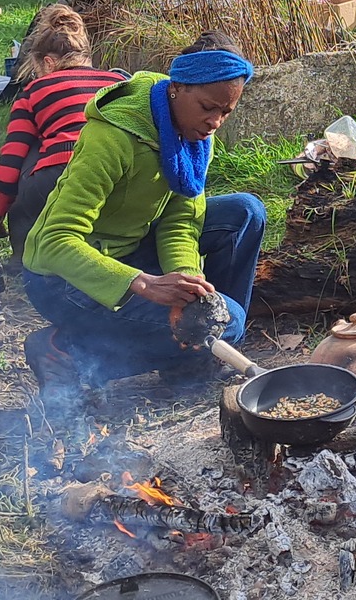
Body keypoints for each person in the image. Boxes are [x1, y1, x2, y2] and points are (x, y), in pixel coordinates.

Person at [22, 33, 270, 387]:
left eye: (225, 112)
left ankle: (194, 352)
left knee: (244, 213)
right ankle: (67, 354)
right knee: (232, 321)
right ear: (178, 87)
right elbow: (54, 242)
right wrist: (143, 284)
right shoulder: (112, 137)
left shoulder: (194, 137)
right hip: (62, 280)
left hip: (131, 247)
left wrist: (187, 293)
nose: (215, 121)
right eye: (207, 107)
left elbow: (180, 221)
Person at [0, 4, 124, 264]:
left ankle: (26, 259)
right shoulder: (116, 83)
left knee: (31, 152)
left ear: (47, 62)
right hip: (117, 177)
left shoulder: (36, 90)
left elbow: (10, 166)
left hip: (59, 178)